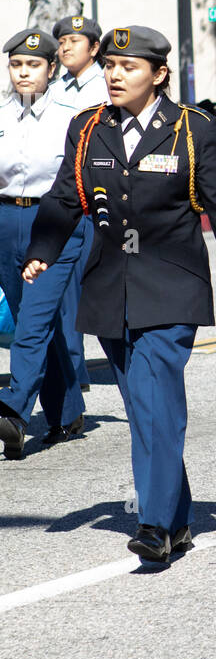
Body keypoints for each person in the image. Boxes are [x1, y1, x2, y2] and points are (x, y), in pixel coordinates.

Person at [22, 25, 216, 562]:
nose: (114, 75)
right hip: (110, 286)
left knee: (158, 399)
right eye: (109, 65)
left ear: (158, 74)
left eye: (128, 67)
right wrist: (43, 247)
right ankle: (178, 519)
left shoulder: (193, 130)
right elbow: (67, 195)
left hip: (172, 284)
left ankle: (155, 523)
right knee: (143, 409)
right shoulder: (86, 128)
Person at [0, 29, 88, 458]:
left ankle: (13, 411)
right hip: (5, 218)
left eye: (33, 65)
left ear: (51, 70)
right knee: (29, 319)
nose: (23, 72)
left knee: (32, 324)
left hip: (53, 221)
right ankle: (67, 409)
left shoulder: (72, 116)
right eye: (16, 64)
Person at [50, 15, 108, 396]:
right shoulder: (56, 87)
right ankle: (74, 375)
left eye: (75, 40)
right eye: (62, 41)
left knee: (95, 289)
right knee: (64, 295)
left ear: (94, 48)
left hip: (93, 199)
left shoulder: (104, 85)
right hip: (61, 197)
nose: (66, 46)